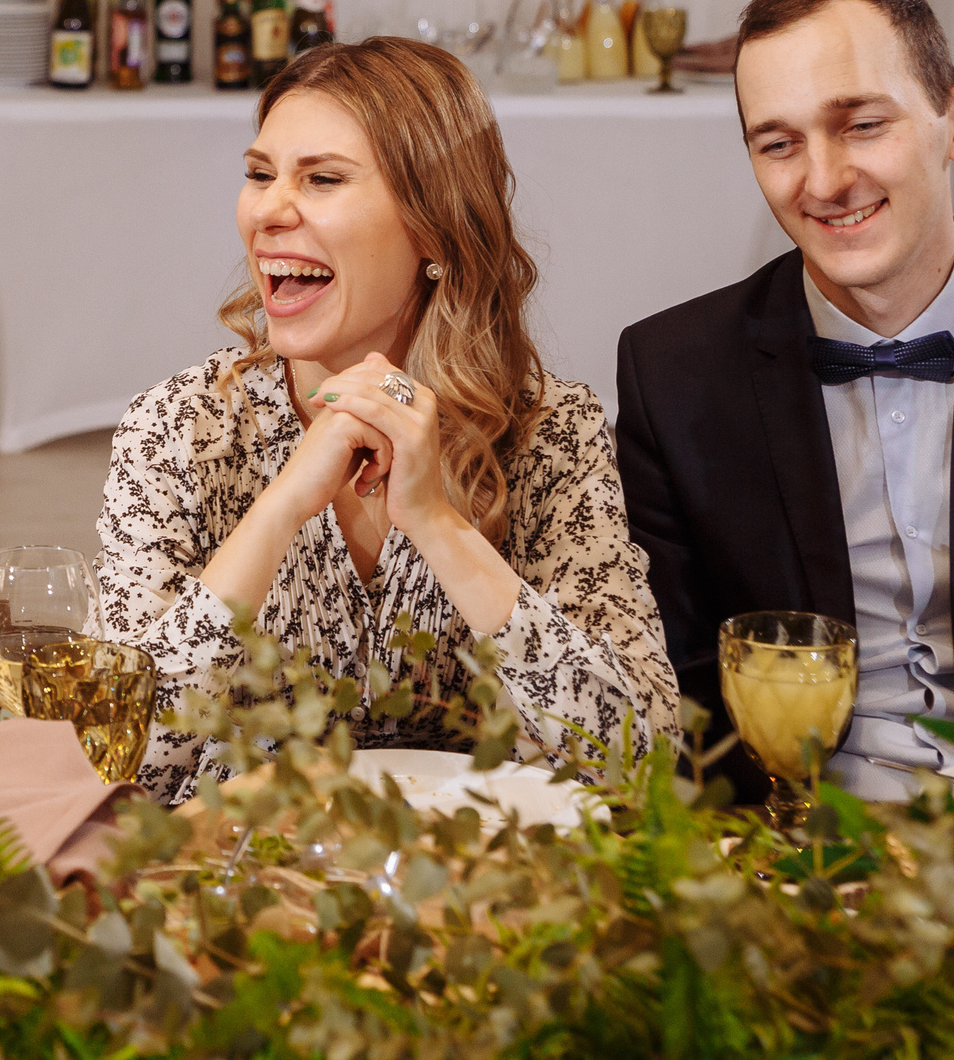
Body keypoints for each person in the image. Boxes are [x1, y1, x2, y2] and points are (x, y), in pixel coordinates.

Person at [99, 39, 678, 805]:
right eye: (259, 173)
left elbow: (642, 762)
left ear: (434, 226)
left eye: (323, 179)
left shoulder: (548, 432)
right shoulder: (179, 429)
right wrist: (278, 510)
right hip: (238, 892)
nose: (270, 209)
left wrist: (438, 522)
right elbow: (117, 764)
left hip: (486, 896)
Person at [617, 0, 954, 799]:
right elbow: (679, 698)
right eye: (778, 143)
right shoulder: (674, 373)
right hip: (794, 858)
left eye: (860, 125)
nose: (822, 180)